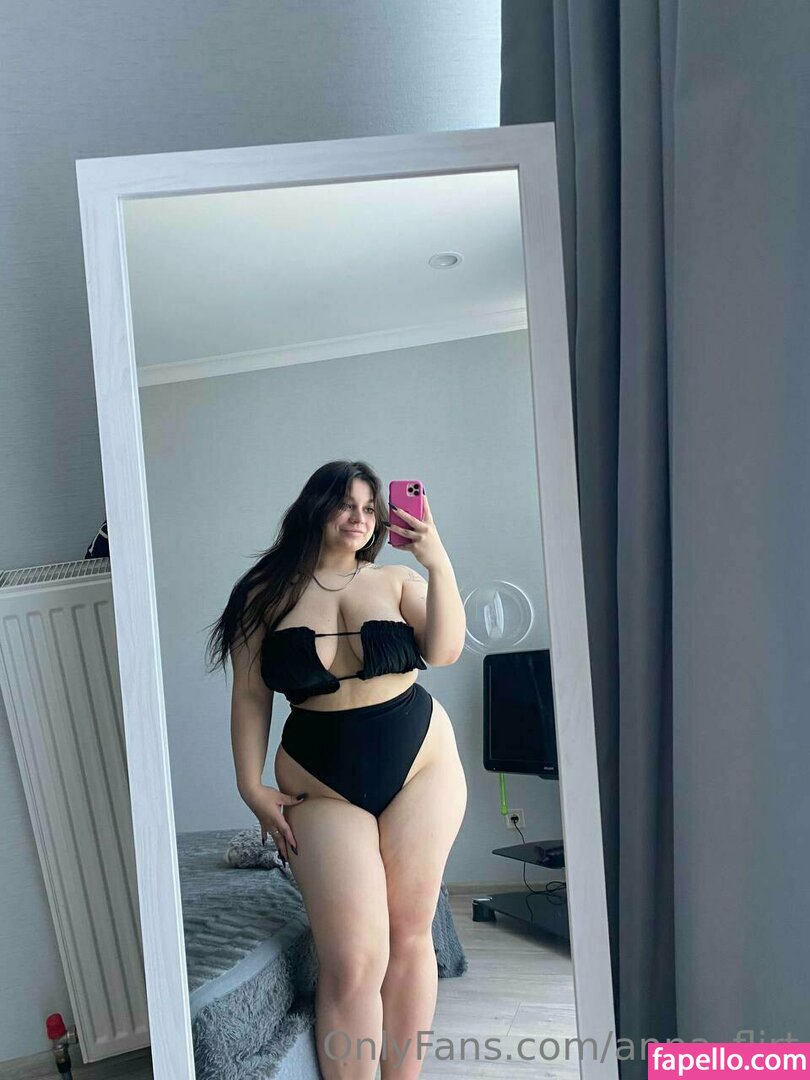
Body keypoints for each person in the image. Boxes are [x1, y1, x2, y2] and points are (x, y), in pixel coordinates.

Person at [205, 460, 468, 1080]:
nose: (360, 517)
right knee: (352, 959)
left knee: (410, 933)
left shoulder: (397, 579)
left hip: (422, 766)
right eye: (346, 504)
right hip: (319, 783)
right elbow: (250, 695)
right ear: (315, 507)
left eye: (370, 508)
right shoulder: (264, 594)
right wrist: (249, 785)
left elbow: (445, 650)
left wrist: (437, 560)